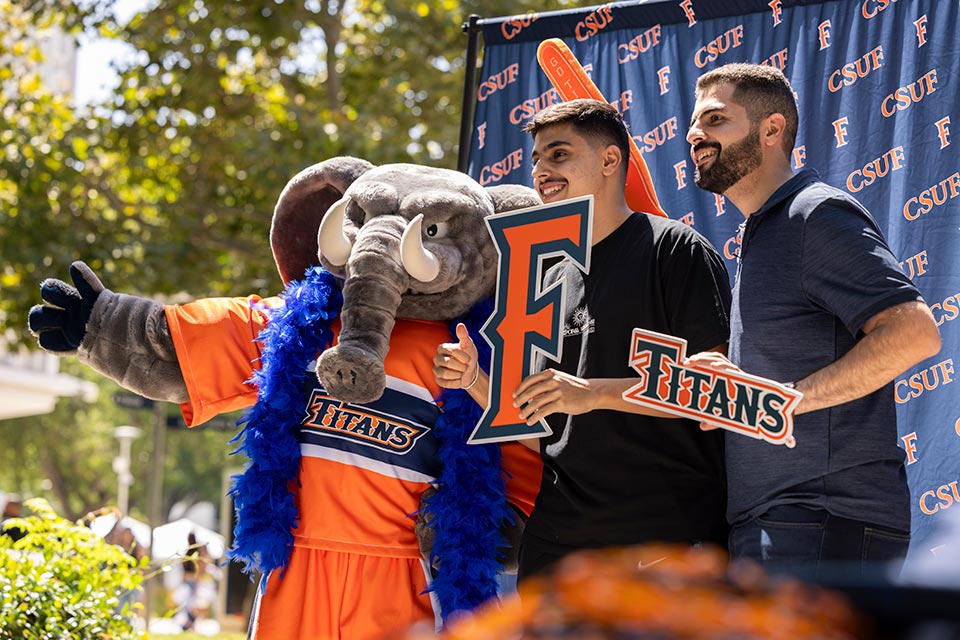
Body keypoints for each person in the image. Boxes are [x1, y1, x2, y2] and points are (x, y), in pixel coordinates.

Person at [434, 99, 733, 581]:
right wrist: (474, 379)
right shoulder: (547, 274)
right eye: (536, 159)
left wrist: (593, 393)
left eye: (557, 155)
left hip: (664, 540)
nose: (541, 171)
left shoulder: (675, 250)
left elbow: (714, 395)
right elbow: (539, 431)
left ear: (610, 161)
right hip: (559, 544)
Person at [684, 63, 941, 575]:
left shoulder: (814, 214)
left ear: (772, 129)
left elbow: (914, 332)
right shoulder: (763, 231)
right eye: (694, 124)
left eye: (715, 120)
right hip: (779, 522)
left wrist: (786, 400)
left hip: (821, 519)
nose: (695, 134)